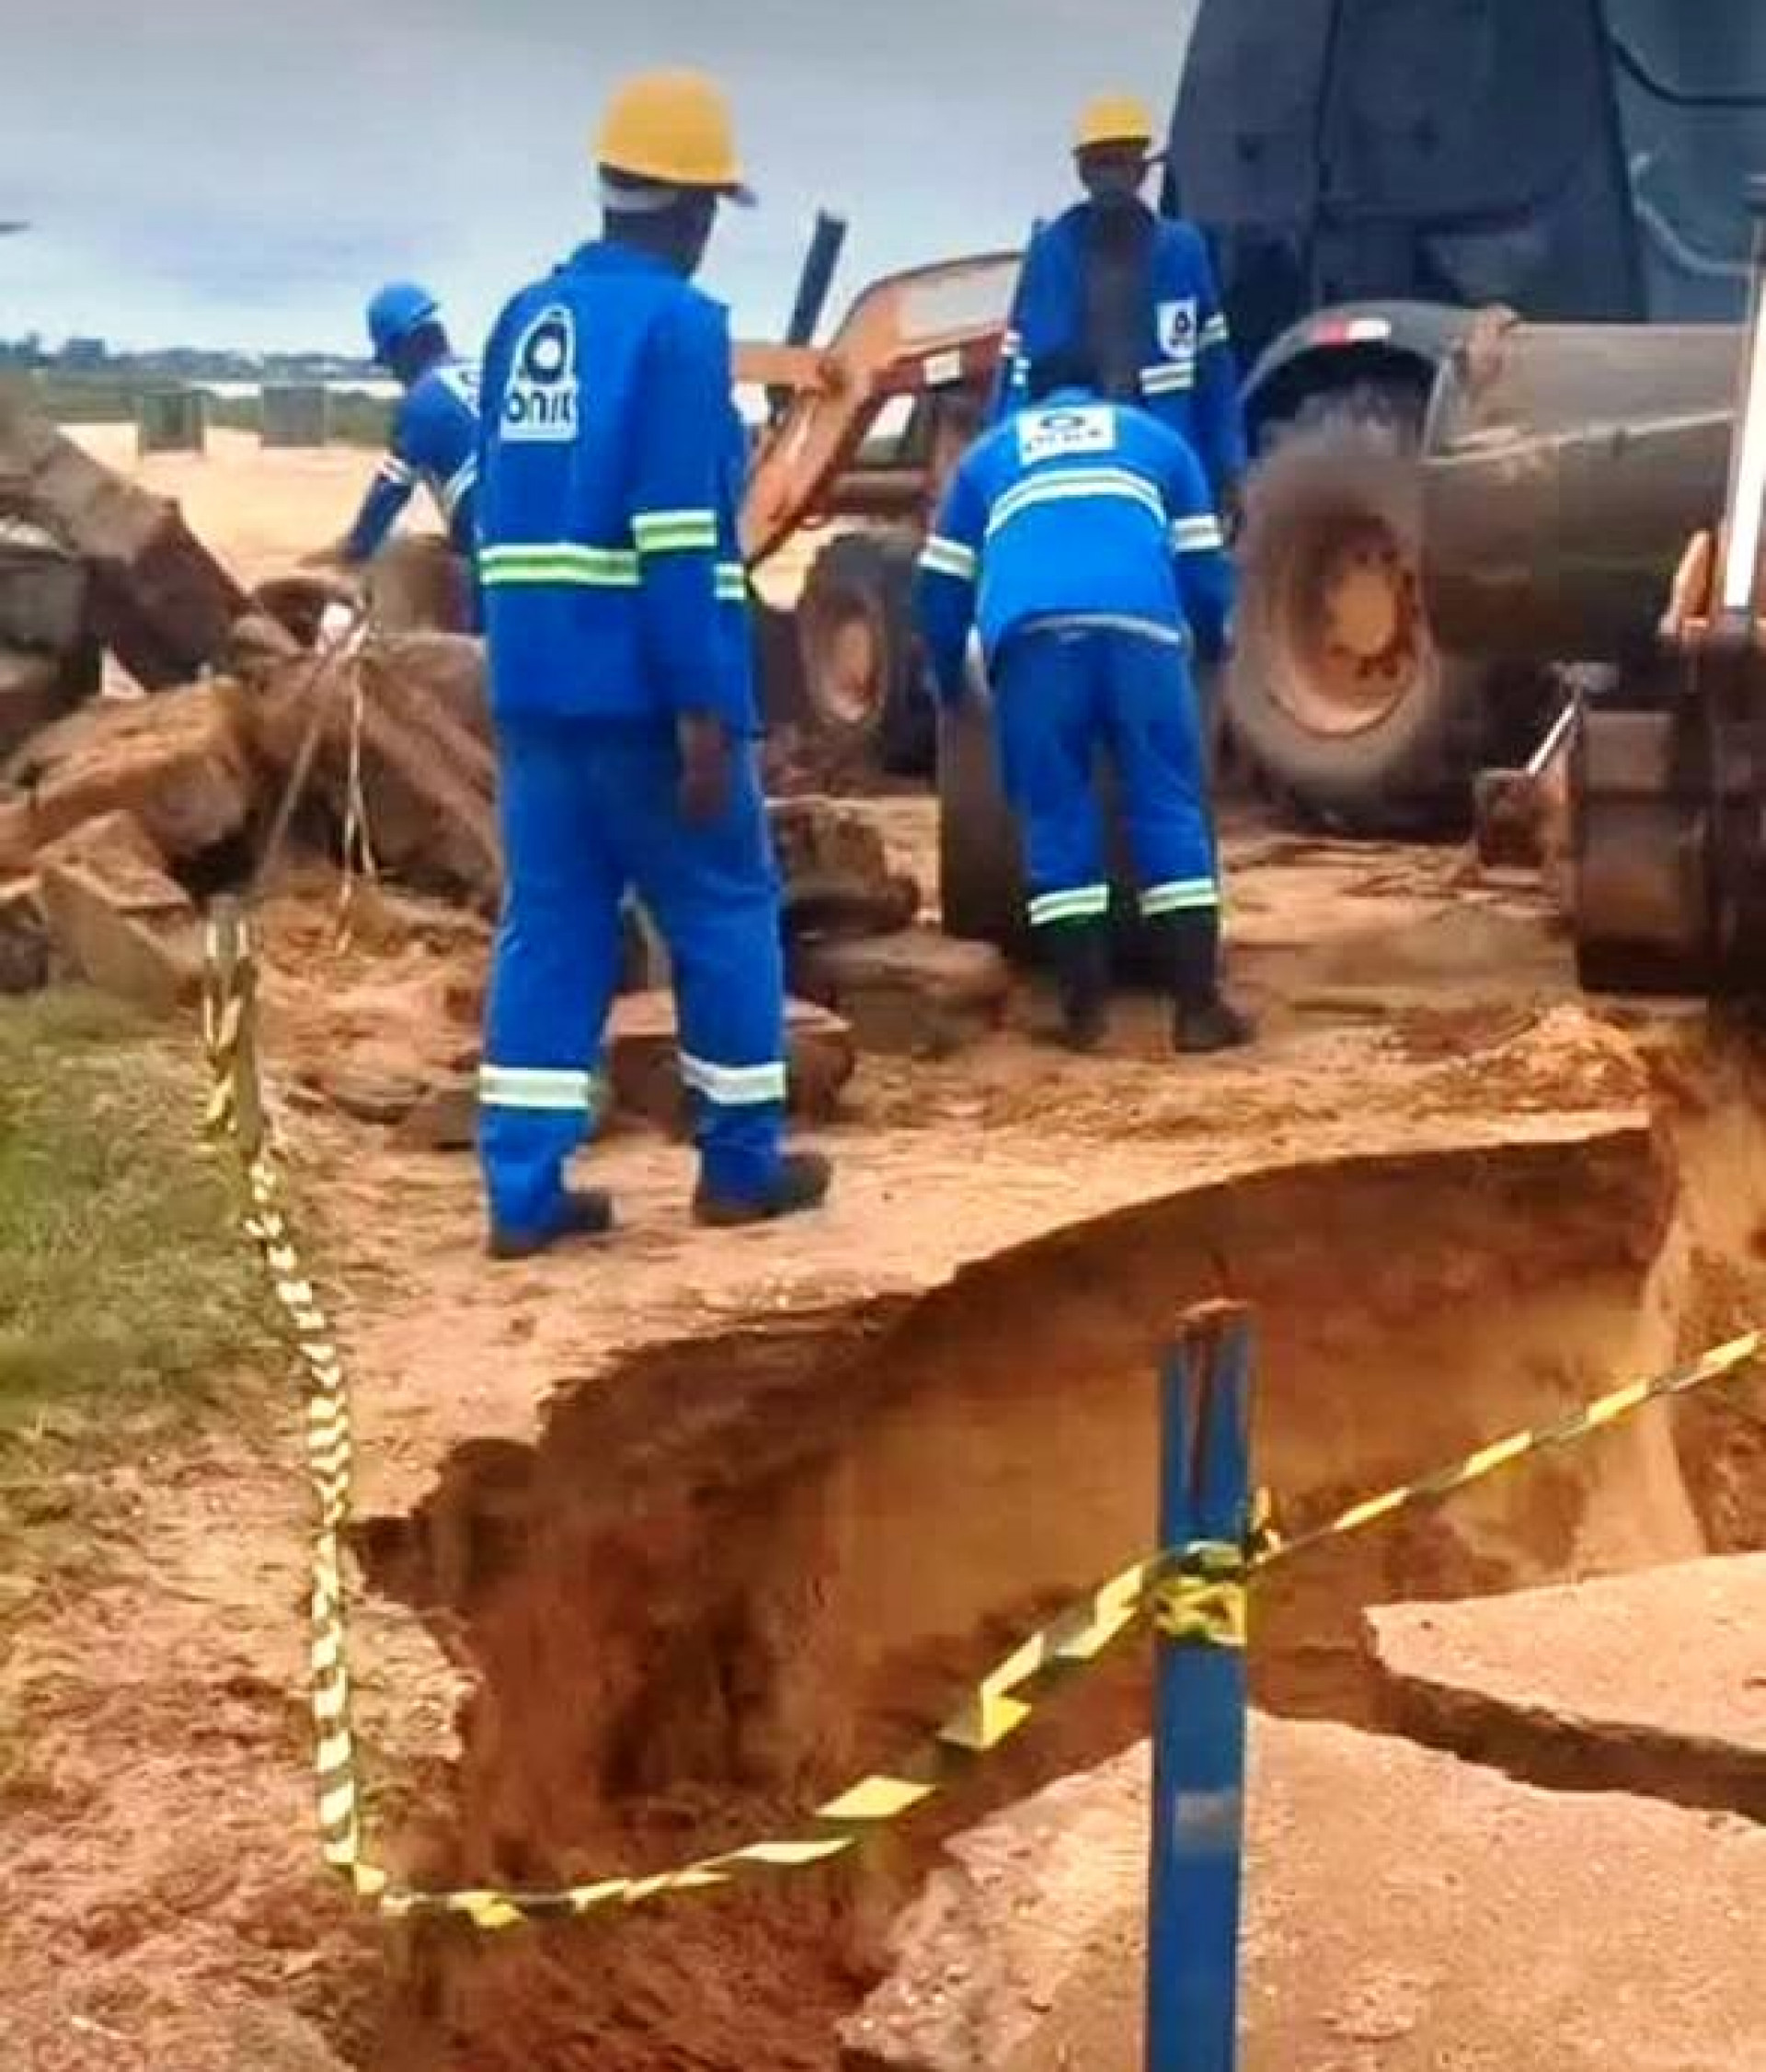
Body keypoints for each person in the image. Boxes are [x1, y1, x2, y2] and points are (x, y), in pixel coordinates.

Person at [474, 69, 831, 1258]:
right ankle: (740, 1166)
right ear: (688, 207)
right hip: (643, 694)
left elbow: (495, 516)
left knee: (552, 924)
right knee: (724, 912)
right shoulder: (681, 329)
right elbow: (680, 537)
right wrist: (705, 706)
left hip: (533, 690)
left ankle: (522, 1189)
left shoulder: (522, 319)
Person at [917, 349, 1251, 1056]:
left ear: (1031, 395)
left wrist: (947, 679)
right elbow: (1203, 567)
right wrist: (1211, 642)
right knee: (1167, 806)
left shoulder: (987, 456)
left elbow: (940, 587)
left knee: (1055, 813)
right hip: (1142, 635)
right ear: (1108, 392)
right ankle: (1196, 1009)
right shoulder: (1158, 441)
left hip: (1032, 643)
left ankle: (1083, 1012)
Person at [996, 95, 1246, 515]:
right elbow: (1016, 373)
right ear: (1082, 171)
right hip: (1071, 458)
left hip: (1163, 457)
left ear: (1142, 169)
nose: (1111, 176)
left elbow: (1214, 372)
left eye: (1122, 161)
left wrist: (1229, 467)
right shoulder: (1051, 253)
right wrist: (1002, 463)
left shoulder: (1181, 253)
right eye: (1100, 163)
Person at [333, 282, 481, 577]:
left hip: (493, 542)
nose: (393, 373)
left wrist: (352, 554)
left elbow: (387, 495)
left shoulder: (422, 400)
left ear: (399, 349)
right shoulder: (486, 371)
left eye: (388, 361)